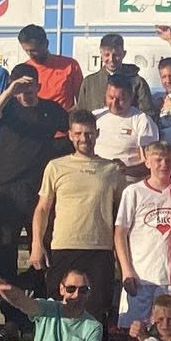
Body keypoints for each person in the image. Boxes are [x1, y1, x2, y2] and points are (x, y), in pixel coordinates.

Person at [30, 109, 126, 324]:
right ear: (70, 135)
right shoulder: (56, 167)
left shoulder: (112, 169)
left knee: (96, 314)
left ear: (97, 134)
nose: (84, 138)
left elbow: (123, 212)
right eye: (79, 133)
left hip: (99, 249)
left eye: (89, 133)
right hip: (64, 247)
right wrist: (37, 243)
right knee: (58, 311)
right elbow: (43, 208)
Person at [0, 62, 72, 285]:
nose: (25, 95)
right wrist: (9, 92)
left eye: (29, 90)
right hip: (6, 188)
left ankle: (42, 299)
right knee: (5, 248)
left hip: (38, 189)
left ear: (38, 87)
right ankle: (8, 305)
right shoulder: (7, 108)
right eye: (20, 90)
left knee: (42, 248)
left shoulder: (52, 110)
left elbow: (74, 132)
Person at [113, 141, 171, 330]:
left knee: (170, 332)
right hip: (141, 277)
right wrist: (126, 271)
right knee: (136, 332)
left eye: (168, 160)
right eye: (158, 160)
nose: (163, 164)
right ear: (147, 162)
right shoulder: (134, 192)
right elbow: (120, 233)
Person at [76, 31, 155, 116]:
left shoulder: (138, 82)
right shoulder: (89, 83)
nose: (111, 59)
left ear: (124, 54)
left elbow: (147, 115)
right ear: (101, 54)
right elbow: (81, 115)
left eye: (116, 55)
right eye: (107, 55)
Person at [93, 77, 160, 175]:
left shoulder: (142, 120)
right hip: (96, 174)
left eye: (120, 100)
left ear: (131, 97)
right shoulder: (95, 116)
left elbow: (150, 163)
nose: (114, 103)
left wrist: (124, 170)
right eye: (111, 98)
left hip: (127, 178)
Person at [15, 24, 82, 111]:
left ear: (46, 44)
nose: (30, 55)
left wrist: (66, 116)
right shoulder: (24, 70)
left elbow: (82, 101)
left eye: (34, 50)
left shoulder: (70, 65)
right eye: (26, 51)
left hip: (64, 118)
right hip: (34, 117)